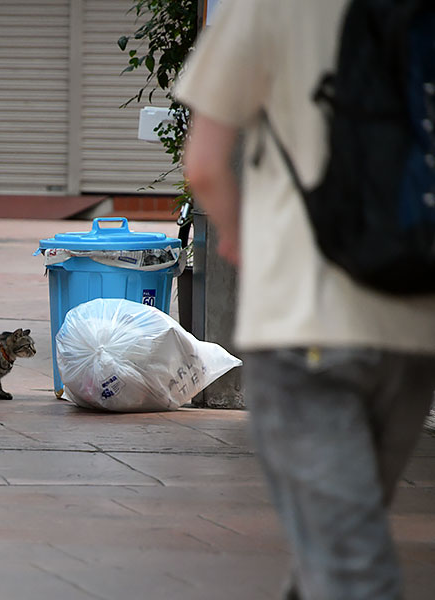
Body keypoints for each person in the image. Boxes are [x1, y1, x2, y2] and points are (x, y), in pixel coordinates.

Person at [173, 1, 435, 598]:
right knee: (335, 551)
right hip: (415, 328)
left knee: (349, 570)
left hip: (304, 323)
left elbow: (207, 164)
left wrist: (241, 239)